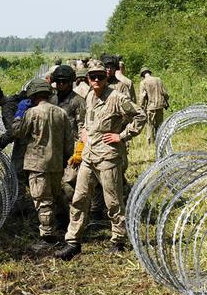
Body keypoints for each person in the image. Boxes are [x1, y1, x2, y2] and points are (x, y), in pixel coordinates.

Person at [55, 62, 146, 260]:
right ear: (87, 78)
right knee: (79, 198)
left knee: (112, 201)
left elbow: (140, 115)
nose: (96, 80)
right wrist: (84, 134)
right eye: (92, 77)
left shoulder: (116, 98)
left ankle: (118, 240)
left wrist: (122, 136)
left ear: (106, 77)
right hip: (89, 155)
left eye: (100, 77)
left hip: (108, 156)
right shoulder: (89, 96)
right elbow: (87, 122)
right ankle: (73, 241)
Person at [10, 78, 74, 243]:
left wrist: (18, 117)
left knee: (42, 200)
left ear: (32, 95)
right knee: (56, 195)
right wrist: (66, 159)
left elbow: (19, 133)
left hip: (37, 164)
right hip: (56, 163)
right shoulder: (61, 112)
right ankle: (66, 223)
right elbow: (69, 141)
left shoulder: (31, 113)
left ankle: (47, 235)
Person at [51, 64, 87, 225]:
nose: (60, 85)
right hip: (53, 148)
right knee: (54, 186)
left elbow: (82, 127)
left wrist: (79, 149)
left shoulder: (77, 101)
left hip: (72, 148)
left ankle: (77, 217)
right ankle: (62, 216)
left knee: (69, 183)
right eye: (57, 82)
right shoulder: (51, 99)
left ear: (71, 82)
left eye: (63, 82)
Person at [138, 67, 170, 145]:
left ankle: (150, 144)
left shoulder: (143, 82)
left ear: (142, 74)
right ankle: (161, 142)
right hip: (160, 106)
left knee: (150, 126)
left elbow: (142, 96)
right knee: (160, 125)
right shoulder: (158, 79)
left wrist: (141, 107)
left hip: (150, 107)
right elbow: (165, 93)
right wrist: (166, 101)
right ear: (149, 72)